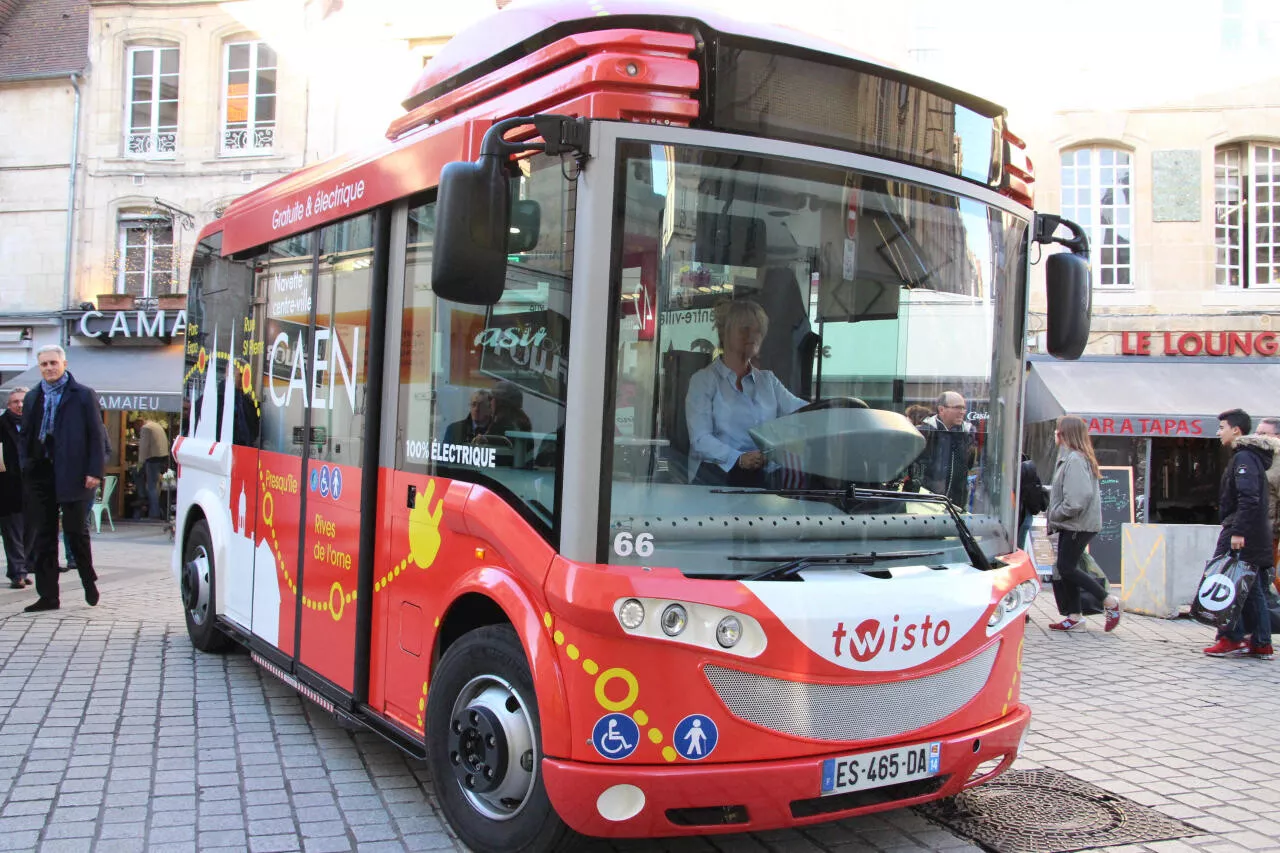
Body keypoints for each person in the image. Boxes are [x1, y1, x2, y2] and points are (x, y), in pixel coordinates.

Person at [19, 345, 105, 612]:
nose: (49, 368)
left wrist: (94, 471)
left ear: (64, 364)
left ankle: (88, 580)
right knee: (44, 536)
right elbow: (27, 435)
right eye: (44, 364)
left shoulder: (82, 395)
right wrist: (25, 465)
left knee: (75, 532)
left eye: (53, 363)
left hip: (75, 472)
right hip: (41, 471)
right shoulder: (33, 396)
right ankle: (48, 596)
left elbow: (97, 436)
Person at [685, 299, 806, 486]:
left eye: (758, 330)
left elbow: (801, 412)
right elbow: (700, 439)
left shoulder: (768, 381)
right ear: (724, 333)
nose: (753, 336)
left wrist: (839, 410)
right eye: (745, 329)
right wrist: (738, 458)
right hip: (717, 481)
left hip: (763, 480)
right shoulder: (704, 381)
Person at [1202, 408, 1273, 660]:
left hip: (1241, 531)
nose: (1218, 432)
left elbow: (1249, 498)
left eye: (1222, 427)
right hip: (1252, 531)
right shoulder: (1248, 457)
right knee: (1249, 588)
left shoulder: (1244, 457)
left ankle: (1231, 638)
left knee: (1228, 581)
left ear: (1236, 430)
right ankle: (1260, 643)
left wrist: (1238, 531)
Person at [1046, 415, 1121, 632]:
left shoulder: (1075, 460)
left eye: (1057, 430)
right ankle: (1074, 616)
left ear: (1064, 433)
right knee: (1067, 567)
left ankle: (1109, 601)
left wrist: (1056, 515)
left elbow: (1077, 499)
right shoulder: (1073, 457)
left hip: (1076, 524)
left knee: (1066, 568)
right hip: (1075, 524)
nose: (1054, 434)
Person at [916, 391, 977, 507]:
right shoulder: (925, 431)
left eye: (964, 408)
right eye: (958, 408)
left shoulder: (966, 433)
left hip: (957, 504)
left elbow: (969, 465)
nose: (962, 412)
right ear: (941, 409)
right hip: (928, 501)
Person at [0, 387, 32, 589]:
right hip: (6, 486)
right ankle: (18, 572)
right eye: (15, 402)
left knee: (29, 531)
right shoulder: (2, 425)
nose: (20, 405)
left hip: (31, 486)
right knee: (12, 531)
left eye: (23, 401)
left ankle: (20, 569)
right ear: (8, 405)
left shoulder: (35, 423)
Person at [1255, 416, 1280, 588]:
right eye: (1256, 433)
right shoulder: (1262, 459)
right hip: (1261, 530)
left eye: (1263, 433)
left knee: (1273, 580)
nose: (1257, 437)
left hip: (1273, 533)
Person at [133, 416, 169, 520]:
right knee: (153, 485)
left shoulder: (145, 428)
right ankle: (144, 498)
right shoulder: (156, 425)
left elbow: (143, 448)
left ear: (139, 424)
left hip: (152, 459)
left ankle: (154, 513)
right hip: (162, 458)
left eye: (136, 428)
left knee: (151, 487)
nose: (137, 431)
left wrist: (139, 464)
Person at [1018, 454, 1049, 550]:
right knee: (1020, 546)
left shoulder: (1021, 473)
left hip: (1021, 518)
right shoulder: (1032, 474)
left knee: (1017, 549)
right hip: (1028, 517)